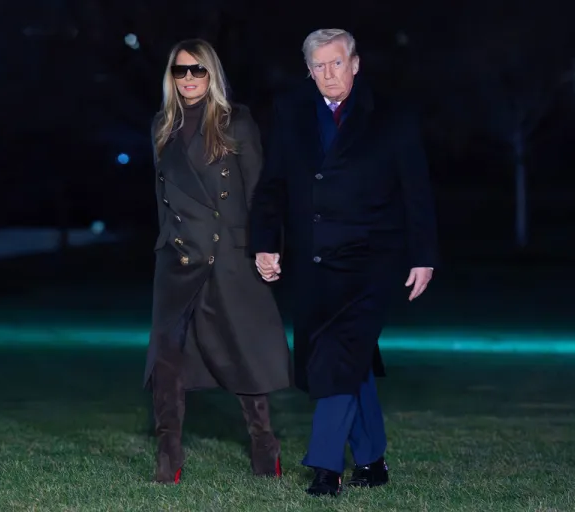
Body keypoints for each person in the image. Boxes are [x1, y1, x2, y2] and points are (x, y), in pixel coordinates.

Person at [250, 28, 438, 496]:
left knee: (339, 353)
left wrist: (423, 256)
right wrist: (265, 243)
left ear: (355, 64)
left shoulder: (391, 115)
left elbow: (416, 190)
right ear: (308, 71)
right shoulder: (292, 112)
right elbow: (273, 185)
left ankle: (326, 466)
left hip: (371, 261)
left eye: (337, 63)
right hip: (314, 260)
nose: (329, 74)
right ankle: (371, 460)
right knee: (347, 358)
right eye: (319, 66)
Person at [144, 38, 291, 484]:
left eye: (198, 70)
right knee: (167, 360)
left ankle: (264, 446)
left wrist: (267, 247)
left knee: (241, 355)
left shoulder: (235, 122)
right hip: (177, 260)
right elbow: (163, 197)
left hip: (227, 256)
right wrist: (165, 243)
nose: (188, 78)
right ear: (171, 77)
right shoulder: (161, 126)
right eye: (180, 70)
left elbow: (260, 192)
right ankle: (168, 456)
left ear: (212, 75)